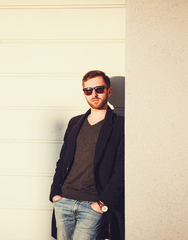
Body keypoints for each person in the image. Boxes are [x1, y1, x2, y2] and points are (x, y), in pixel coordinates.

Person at [49, 70, 124, 240]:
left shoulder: (119, 125)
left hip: (93, 205)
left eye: (99, 89)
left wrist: (102, 203)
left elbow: (122, 169)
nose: (94, 94)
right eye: (88, 90)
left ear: (109, 91)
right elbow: (62, 161)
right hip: (64, 201)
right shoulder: (75, 122)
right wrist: (55, 194)